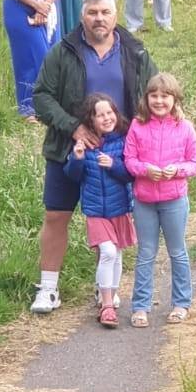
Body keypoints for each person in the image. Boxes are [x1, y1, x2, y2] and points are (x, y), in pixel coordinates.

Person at [30, 0, 155, 314]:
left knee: (110, 218)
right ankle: (48, 288)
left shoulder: (135, 51)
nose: (99, 18)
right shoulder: (64, 52)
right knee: (56, 215)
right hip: (69, 150)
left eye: (105, 12)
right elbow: (42, 97)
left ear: (115, 16)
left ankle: (105, 293)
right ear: (82, 16)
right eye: (92, 13)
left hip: (115, 152)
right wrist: (74, 127)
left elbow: (155, 92)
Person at [124, 72, 196, 327]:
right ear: (146, 98)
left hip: (174, 199)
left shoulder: (185, 127)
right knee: (146, 252)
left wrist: (177, 171)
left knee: (177, 251)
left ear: (175, 99)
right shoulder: (137, 125)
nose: (159, 101)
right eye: (154, 96)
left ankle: (181, 303)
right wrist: (145, 170)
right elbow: (130, 160)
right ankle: (140, 306)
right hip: (144, 200)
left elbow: (195, 163)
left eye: (165, 96)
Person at [63, 93, 135, 327]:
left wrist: (114, 165)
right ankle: (105, 306)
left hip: (120, 208)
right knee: (108, 253)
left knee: (117, 255)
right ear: (90, 119)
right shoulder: (85, 143)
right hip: (95, 210)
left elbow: (130, 174)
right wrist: (78, 158)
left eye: (109, 113)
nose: (106, 118)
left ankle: (111, 295)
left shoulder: (123, 140)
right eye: (100, 114)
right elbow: (73, 176)